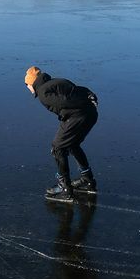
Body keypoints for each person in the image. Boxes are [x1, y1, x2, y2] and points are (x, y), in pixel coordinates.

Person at [24, 66, 98, 203]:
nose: (27, 88)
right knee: (72, 144)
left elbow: (66, 101)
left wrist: (83, 103)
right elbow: (76, 90)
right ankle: (87, 179)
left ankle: (65, 188)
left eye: (27, 85)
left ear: (32, 82)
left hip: (77, 116)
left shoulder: (43, 93)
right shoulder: (55, 82)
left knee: (58, 148)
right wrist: (90, 96)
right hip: (90, 113)